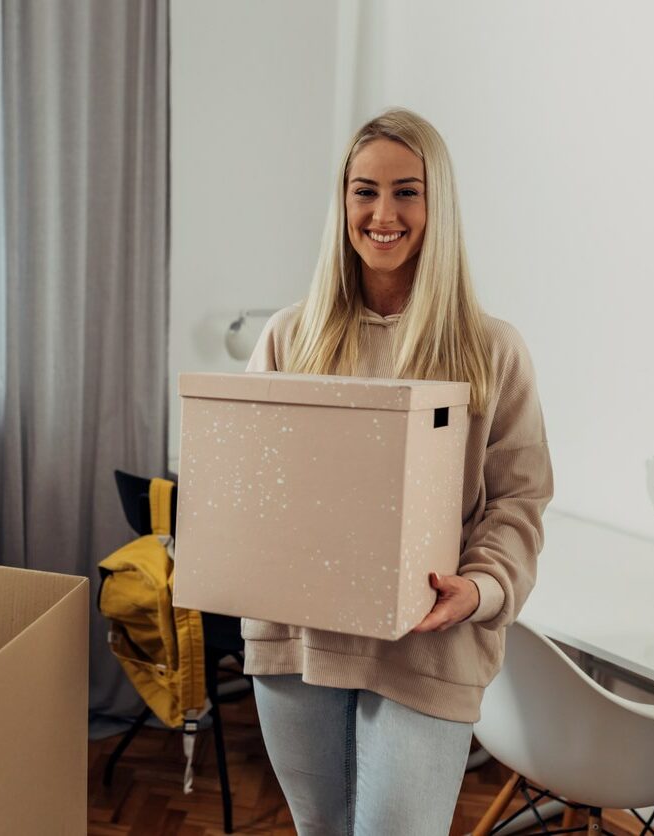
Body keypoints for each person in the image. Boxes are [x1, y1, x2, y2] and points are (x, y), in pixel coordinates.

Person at [243, 108, 554, 835]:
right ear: (343, 202)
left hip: (429, 641)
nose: (383, 214)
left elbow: (519, 500)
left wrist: (478, 589)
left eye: (406, 192)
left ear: (435, 204)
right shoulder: (290, 335)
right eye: (364, 191)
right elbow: (254, 484)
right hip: (300, 641)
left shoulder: (492, 350)